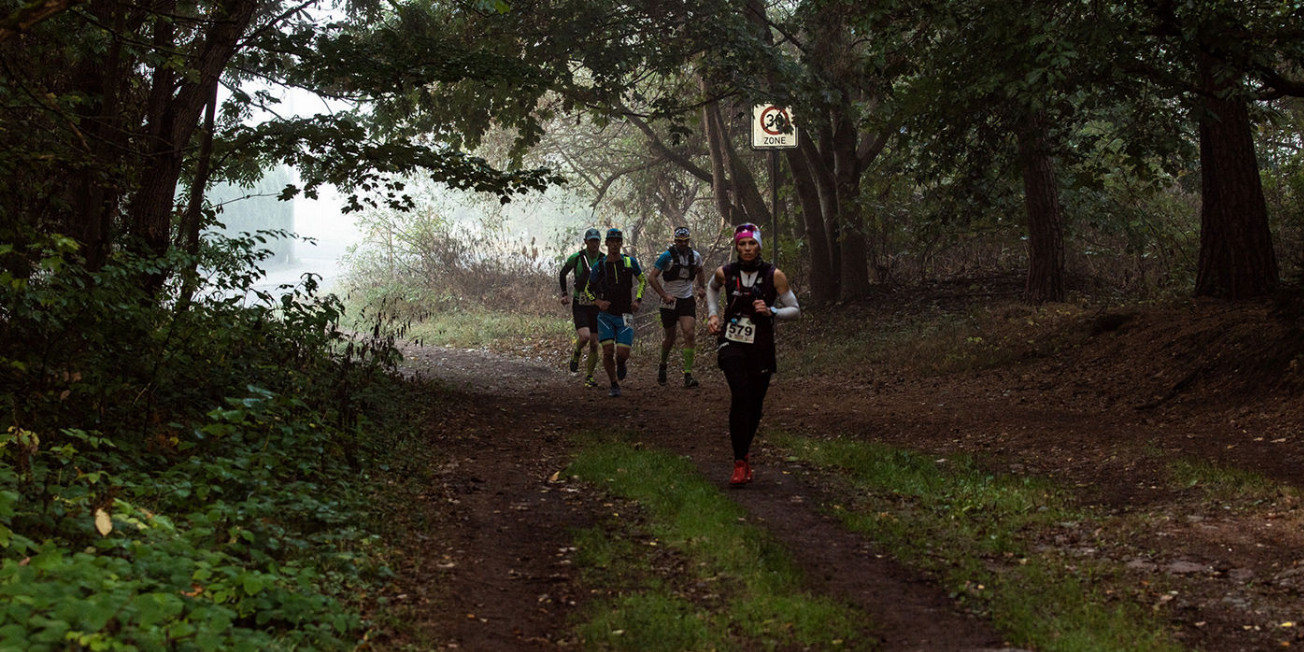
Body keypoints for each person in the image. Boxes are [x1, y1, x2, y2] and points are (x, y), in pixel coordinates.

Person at [705, 223, 800, 485]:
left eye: (752, 244)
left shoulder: (774, 275)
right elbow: (711, 288)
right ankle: (738, 462)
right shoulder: (725, 272)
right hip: (731, 342)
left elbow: (795, 309)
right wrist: (713, 314)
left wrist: (773, 311)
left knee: (755, 404)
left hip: (761, 346)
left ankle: (744, 453)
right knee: (740, 393)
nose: (747, 248)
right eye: (742, 244)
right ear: (736, 246)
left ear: (759, 246)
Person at [585, 228, 647, 397]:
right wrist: (598, 302)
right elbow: (588, 289)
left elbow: (643, 281)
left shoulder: (629, 262)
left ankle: (621, 363)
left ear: (621, 243)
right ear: (606, 244)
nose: (614, 245)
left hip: (626, 315)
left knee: (622, 353)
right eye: (611, 242)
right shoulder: (600, 265)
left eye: (617, 242)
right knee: (607, 352)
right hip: (605, 316)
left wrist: (638, 300)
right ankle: (613, 384)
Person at [647, 226, 707, 388]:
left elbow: (700, 271)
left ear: (689, 241)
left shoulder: (695, 257)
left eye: (685, 241)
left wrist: (701, 287)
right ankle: (663, 364)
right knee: (670, 338)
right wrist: (663, 295)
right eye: (679, 241)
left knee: (689, 333)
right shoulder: (666, 257)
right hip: (669, 301)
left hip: (686, 300)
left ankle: (688, 374)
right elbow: (652, 277)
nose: (682, 244)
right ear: (675, 241)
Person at [559, 228, 604, 387]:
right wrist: (564, 293)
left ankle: (589, 376)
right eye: (591, 241)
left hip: (596, 305)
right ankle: (577, 353)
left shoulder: (604, 259)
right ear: (585, 242)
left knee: (594, 343)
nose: (594, 244)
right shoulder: (577, 258)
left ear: (600, 242)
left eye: (596, 241)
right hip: (580, 303)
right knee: (584, 337)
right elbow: (562, 273)